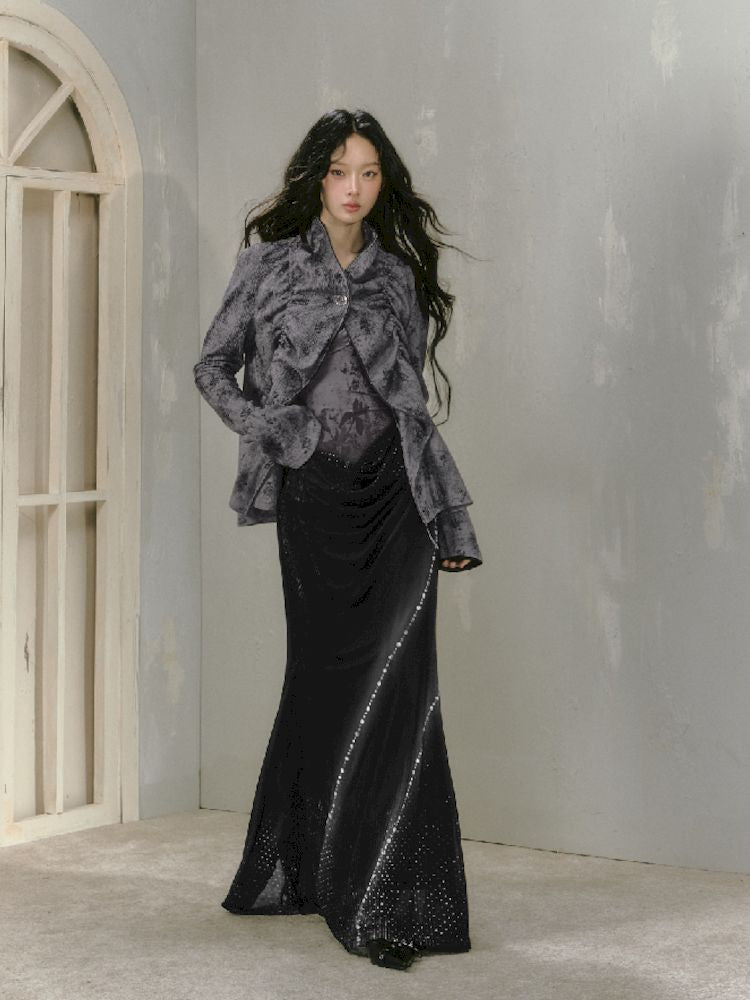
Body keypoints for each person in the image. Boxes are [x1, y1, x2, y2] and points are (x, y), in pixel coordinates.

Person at [194, 109, 483, 972]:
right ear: (315, 178)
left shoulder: (398, 274)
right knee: (326, 682)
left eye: (368, 174)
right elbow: (213, 366)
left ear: (381, 183)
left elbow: (411, 408)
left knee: (404, 689)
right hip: (315, 499)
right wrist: (271, 430)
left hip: (396, 498)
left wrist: (445, 513)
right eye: (339, 172)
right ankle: (322, 869)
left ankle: (388, 896)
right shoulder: (270, 265)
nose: (354, 189)